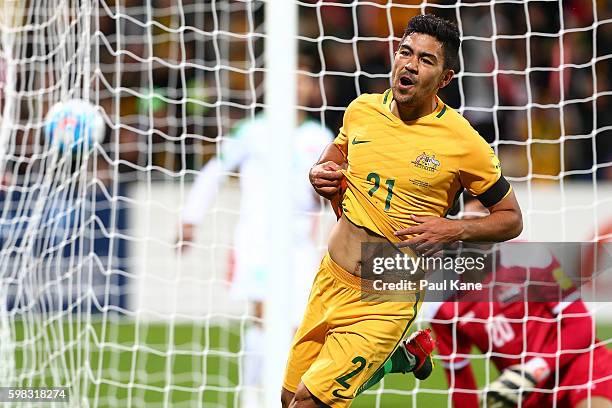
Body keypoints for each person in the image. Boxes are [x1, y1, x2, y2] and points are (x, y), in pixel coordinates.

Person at [281, 14, 523, 408]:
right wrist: (321, 170)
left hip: (389, 290)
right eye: (405, 53)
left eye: (426, 60)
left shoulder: (464, 142)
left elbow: (511, 218)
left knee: (308, 403)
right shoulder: (362, 110)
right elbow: (340, 151)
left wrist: (453, 228)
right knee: (288, 397)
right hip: (330, 277)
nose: (410, 64)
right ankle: (404, 357)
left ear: (445, 78)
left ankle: (397, 351)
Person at [178, 56, 333, 407]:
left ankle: (282, 397)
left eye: (304, 79)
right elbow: (216, 170)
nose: (297, 85)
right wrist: (191, 218)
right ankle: (251, 397)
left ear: (311, 89)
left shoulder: (320, 138)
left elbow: (333, 197)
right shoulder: (253, 131)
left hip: (299, 246)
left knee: (298, 329)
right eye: (291, 78)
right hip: (257, 242)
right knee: (264, 316)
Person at [428, 195, 612, 408]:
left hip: (581, 368)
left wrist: (535, 368)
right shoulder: (443, 305)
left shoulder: (527, 254)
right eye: (479, 214)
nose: (490, 221)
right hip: (528, 396)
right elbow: (461, 384)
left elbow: (580, 324)